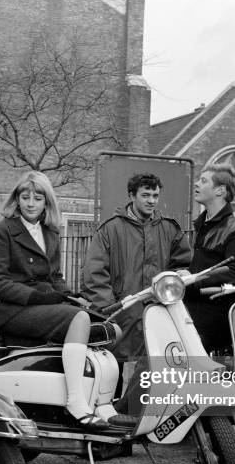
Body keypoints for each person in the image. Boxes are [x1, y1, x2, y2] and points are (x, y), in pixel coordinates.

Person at [0, 170, 130, 430]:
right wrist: (43, 297)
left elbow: (56, 277)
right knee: (79, 318)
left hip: (44, 307)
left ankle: (103, 404)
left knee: (112, 329)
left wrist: (72, 296)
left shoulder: (50, 232)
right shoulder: (3, 231)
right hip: (15, 311)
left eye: (37, 198)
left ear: (46, 202)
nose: (31, 203)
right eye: (25, 197)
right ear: (16, 199)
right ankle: (76, 402)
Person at [81, 172, 191, 413]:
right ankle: (111, 427)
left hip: (158, 315)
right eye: (145, 195)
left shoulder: (169, 229)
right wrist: (111, 309)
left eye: (155, 195)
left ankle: (142, 421)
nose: (151, 201)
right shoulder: (110, 230)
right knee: (114, 373)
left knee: (151, 371)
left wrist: (174, 286)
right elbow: (94, 274)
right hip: (122, 314)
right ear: (132, 196)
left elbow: (182, 267)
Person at [184, 163, 235, 352]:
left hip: (216, 318)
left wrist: (194, 279)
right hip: (193, 311)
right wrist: (186, 273)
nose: (197, 184)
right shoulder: (204, 223)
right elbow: (204, 265)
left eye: (203, 181)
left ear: (220, 191)